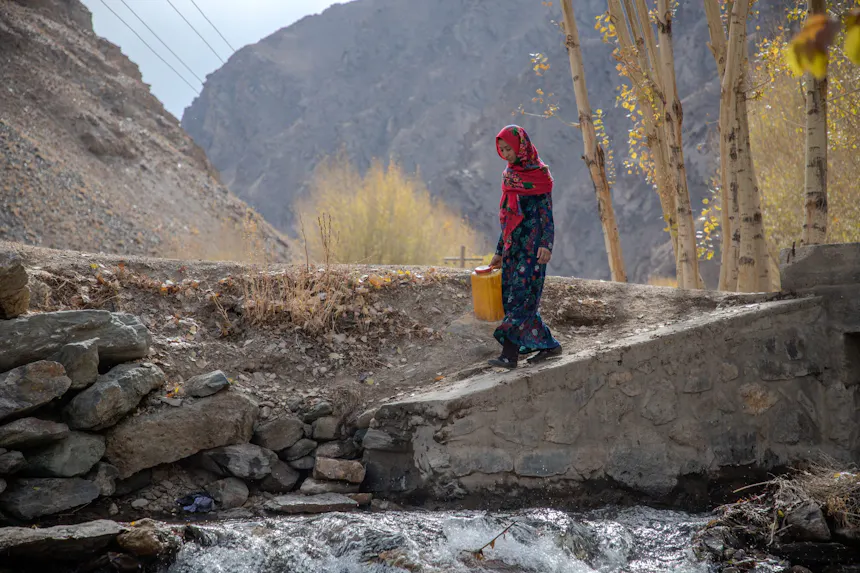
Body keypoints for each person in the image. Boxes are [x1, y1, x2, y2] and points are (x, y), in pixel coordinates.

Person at [488, 125, 562, 369]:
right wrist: (499, 251)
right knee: (512, 298)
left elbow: (546, 215)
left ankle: (509, 355)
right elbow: (508, 218)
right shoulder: (510, 175)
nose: (506, 154)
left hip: (533, 248)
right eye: (502, 150)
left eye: (509, 148)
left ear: (521, 146)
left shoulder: (539, 175)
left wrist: (546, 245)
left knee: (521, 296)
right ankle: (549, 345)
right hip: (513, 247)